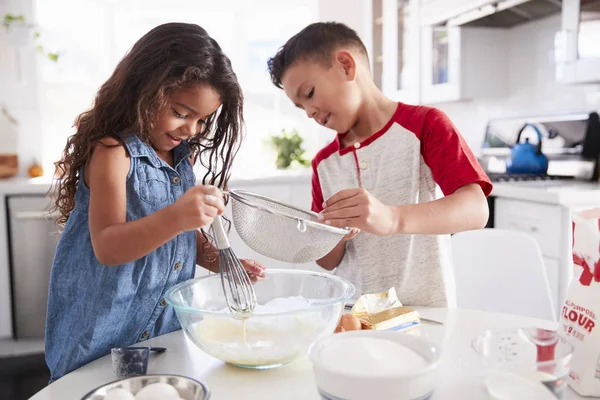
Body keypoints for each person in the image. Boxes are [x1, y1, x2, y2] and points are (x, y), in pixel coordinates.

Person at [45, 22, 265, 381]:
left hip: (160, 332)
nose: (191, 129)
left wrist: (219, 260)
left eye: (202, 120)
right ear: (143, 91)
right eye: (181, 113)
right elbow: (108, 246)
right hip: (99, 336)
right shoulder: (113, 154)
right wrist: (179, 216)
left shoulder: (181, 159)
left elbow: (179, 241)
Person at [267, 22, 492, 307]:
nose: (310, 112)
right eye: (301, 107)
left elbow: (475, 209)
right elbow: (326, 261)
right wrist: (334, 233)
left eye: (309, 93)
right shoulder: (324, 164)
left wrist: (392, 218)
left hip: (425, 315)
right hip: (353, 317)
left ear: (346, 66)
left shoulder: (425, 125)